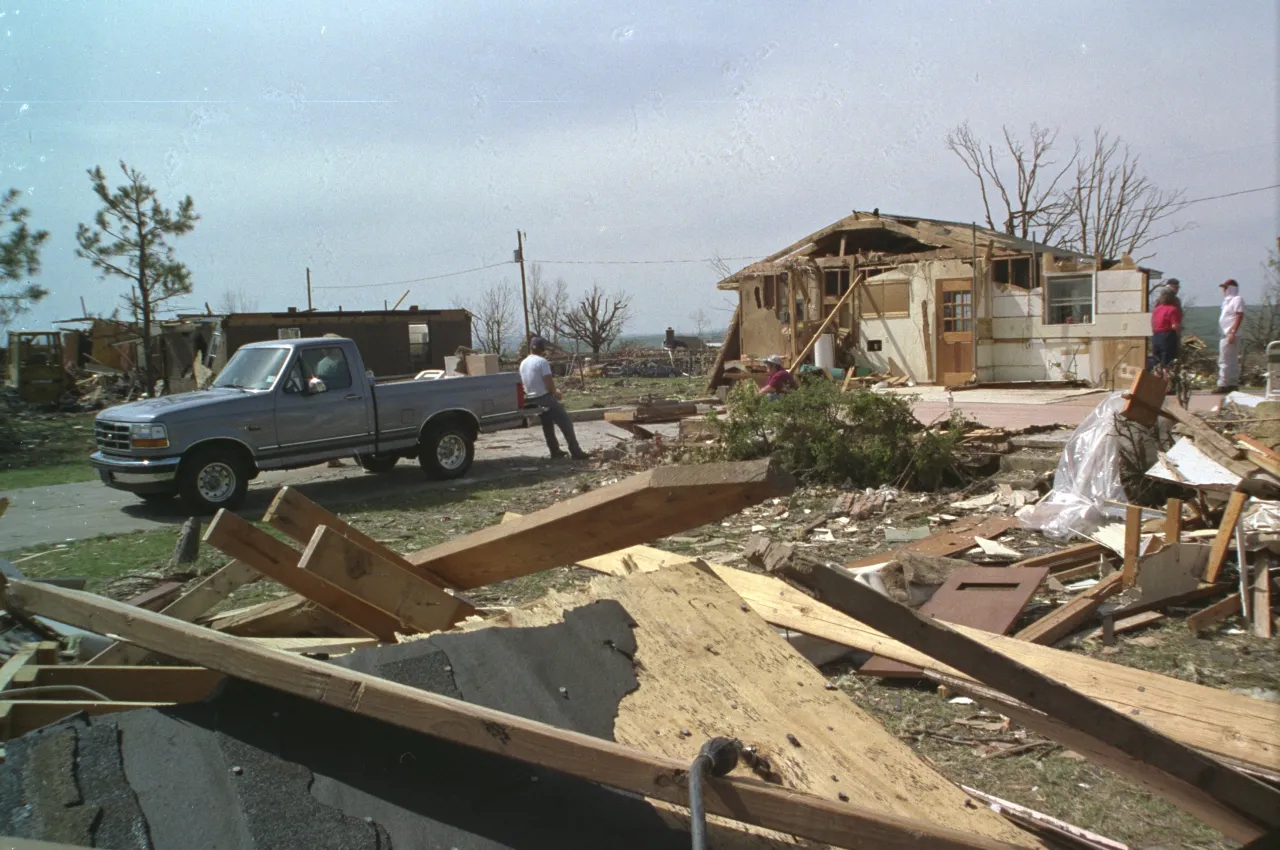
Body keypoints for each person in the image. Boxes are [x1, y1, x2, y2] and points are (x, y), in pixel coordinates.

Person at [520, 336, 589, 460]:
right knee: (565, 421)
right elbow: (548, 382)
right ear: (543, 349)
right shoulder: (542, 362)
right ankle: (575, 451)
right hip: (544, 396)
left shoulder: (523, 363)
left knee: (547, 424)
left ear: (530, 348)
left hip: (531, 399)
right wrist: (556, 393)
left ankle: (554, 450)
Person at [1215, 279, 1245, 393]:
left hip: (1230, 333)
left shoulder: (1237, 299)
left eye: (1226, 288)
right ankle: (1231, 383)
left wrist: (1232, 332)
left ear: (1231, 288)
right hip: (1226, 333)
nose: (1224, 290)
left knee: (1225, 360)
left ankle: (1224, 384)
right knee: (1230, 359)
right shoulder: (1227, 302)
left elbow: (1239, 315)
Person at [1150, 285, 1183, 380]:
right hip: (1168, 335)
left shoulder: (1156, 309)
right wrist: (1179, 333)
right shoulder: (1172, 309)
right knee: (1167, 363)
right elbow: (1175, 325)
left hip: (1156, 336)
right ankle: (1167, 384)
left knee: (1157, 362)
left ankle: (1156, 383)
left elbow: (1153, 324)